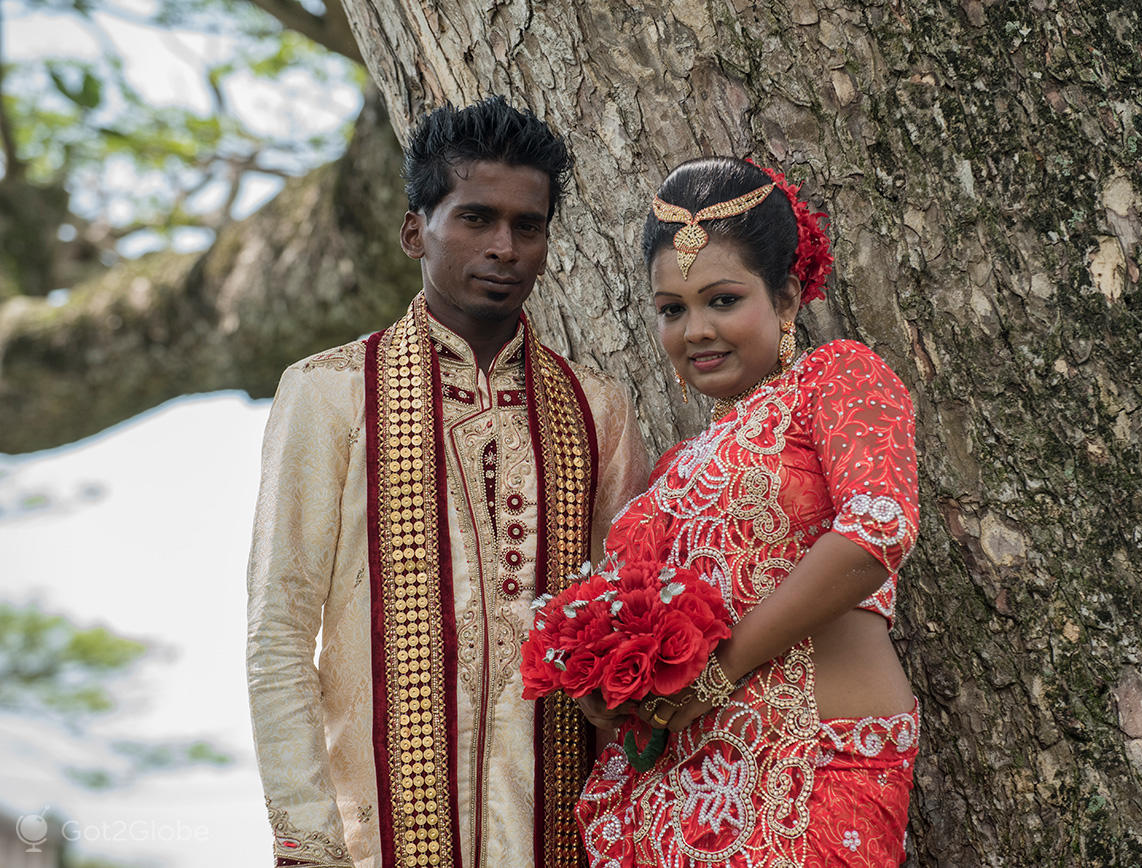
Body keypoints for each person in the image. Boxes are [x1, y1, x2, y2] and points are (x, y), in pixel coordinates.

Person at [246, 96, 650, 868]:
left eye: (526, 227)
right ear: (414, 231)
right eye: (474, 218)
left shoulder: (597, 409)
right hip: (374, 845)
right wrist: (307, 843)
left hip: (560, 840)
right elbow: (280, 630)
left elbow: (623, 626)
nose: (503, 246)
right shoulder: (329, 393)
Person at [574, 157, 920, 867]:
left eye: (722, 300)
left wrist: (719, 673)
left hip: (818, 768)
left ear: (788, 299)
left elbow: (876, 529)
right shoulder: (671, 471)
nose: (695, 328)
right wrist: (609, 689)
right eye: (673, 309)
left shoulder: (837, 377)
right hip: (683, 801)